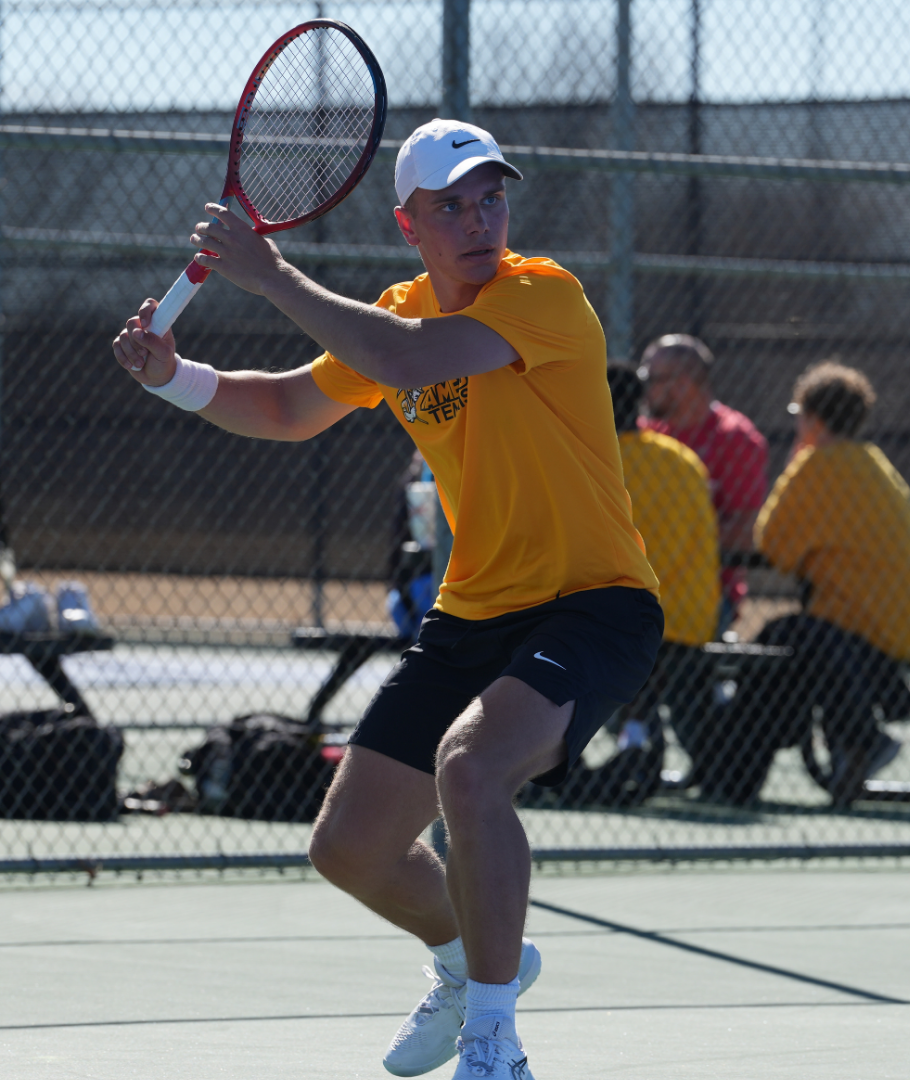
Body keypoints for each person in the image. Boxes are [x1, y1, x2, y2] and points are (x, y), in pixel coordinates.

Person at [111, 118, 661, 1080]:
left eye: (491, 195)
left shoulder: (544, 296)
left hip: (595, 601)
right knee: (349, 849)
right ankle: (472, 964)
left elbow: (408, 359)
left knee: (473, 769)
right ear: (410, 224)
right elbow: (287, 406)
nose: (478, 218)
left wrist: (273, 277)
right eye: (450, 205)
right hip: (475, 612)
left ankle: (493, 1039)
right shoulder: (395, 307)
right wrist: (174, 378)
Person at [751, 361, 910, 800]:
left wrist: (796, 462)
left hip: (879, 628)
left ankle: (859, 740)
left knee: (800, 637)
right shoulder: (874, 463)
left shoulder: (814, 467)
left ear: (811, 418)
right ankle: (854, 745)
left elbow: (771, 543)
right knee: (814, 635)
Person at [605, 363, 717, 756]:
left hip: (619, 618)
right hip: (690, 616)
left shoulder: (591, 461)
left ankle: (630, 737)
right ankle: (634, 732)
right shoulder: (682, 458)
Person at [637, 334, 770, 635]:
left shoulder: (735, 438)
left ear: (682, 384)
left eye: (652, 379)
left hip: (706, 593)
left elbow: (746, 533)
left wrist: (669, 541)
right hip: (640, 584)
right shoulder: (646, 435)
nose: (644, 390)